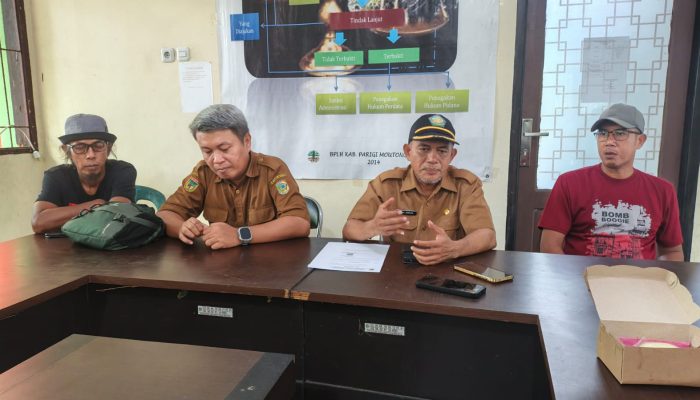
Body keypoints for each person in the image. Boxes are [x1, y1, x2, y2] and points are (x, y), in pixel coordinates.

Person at [343, 114, 496, 265]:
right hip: (396, 270)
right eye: (424, 149)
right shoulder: (386, 185)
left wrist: (455, 249)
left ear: (452, 155)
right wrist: (372, 227)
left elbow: (487, 236)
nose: (432, 159)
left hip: (448, 270)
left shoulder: (466, 185)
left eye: (442, 151)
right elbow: (349, 229)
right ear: (408, 152)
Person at [539, 103, 683, 261]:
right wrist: (573, 276)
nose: (609, 141)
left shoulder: (662, 191)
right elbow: (549, 246)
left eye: (620, 133)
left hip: (639, 277)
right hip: (581, 275)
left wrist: (657, 276)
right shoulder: (569, 183)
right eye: (603, 133)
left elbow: (672, 252)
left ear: (640, 141)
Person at [157, 104, 309, 249]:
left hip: (270, 261)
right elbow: (165, 214)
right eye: (207, 151)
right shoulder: (204, 173)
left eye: (224, 149)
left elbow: (300, 223)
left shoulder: (272, 170)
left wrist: (239, 235)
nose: (216, 160)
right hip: (220, 263)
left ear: (247, 142)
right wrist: (182, 228)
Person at [32, 114, 136, 234]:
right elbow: (38, 223)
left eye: (98, 145)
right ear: (67, 151)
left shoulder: (122, 171)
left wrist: (63, 217)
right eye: (79, 147)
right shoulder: (55, 176)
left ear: (108, 148)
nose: (90, 155)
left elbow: (116, 216)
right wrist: (97, 204)